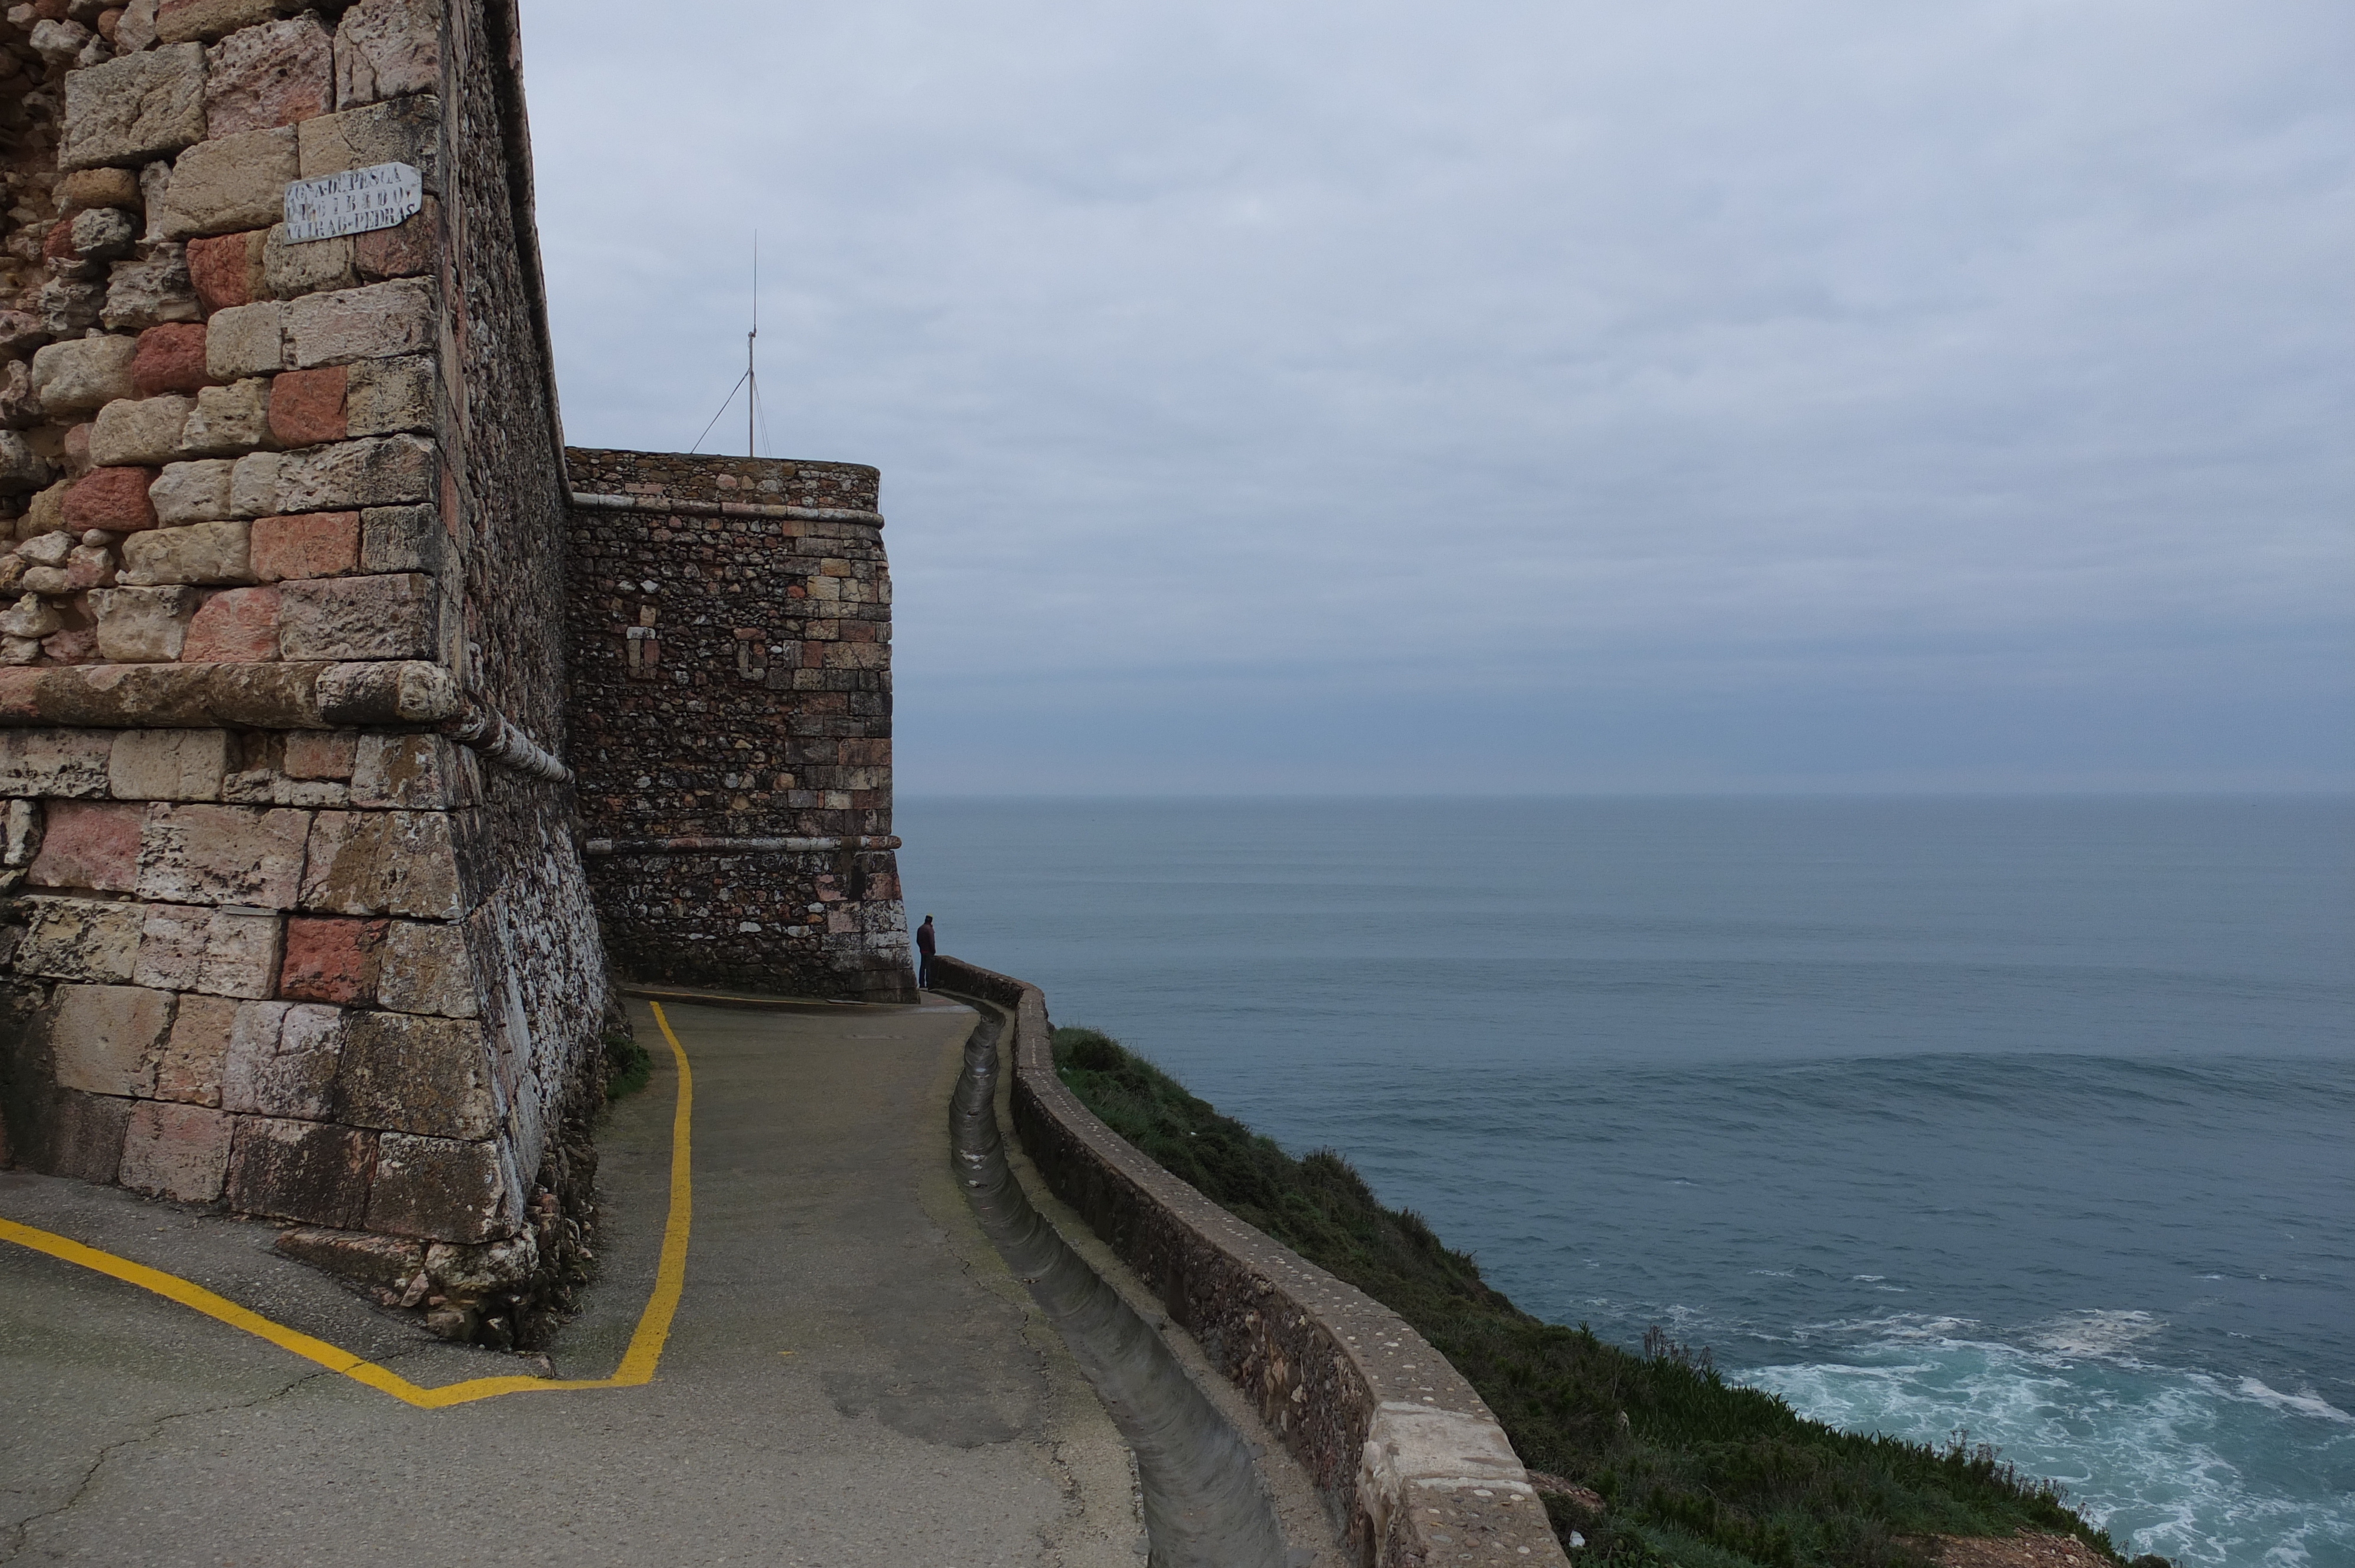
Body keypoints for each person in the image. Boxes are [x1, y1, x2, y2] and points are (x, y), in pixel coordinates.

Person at [916, 913, 936, 989]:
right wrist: (933, 951)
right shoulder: (930, 930)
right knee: (929, 967)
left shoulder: (920, 928)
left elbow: (918, 941)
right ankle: (929, 983)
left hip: (922, 950)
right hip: (928, 951)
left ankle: (921, 983)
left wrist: (921, 948)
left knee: (922, 967)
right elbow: (932, 942)